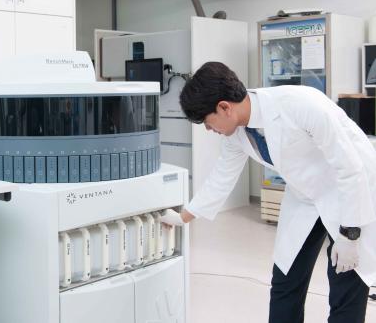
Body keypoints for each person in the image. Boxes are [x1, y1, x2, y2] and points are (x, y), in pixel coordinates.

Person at [161, 61, 375, 323]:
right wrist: (182, 217)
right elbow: (221, 177)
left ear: (224, 107)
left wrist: (351, 234)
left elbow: (350, 168)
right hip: (305, 197)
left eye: (207, 122)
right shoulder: (237, 133)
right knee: (285, 279)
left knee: (345, 280)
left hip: (350, 192)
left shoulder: (301, 104)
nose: (209, 129)